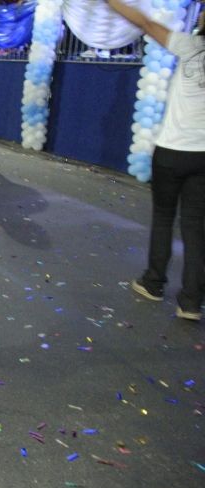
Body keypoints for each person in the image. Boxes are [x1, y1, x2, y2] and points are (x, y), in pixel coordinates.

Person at [107, 0, 205, 321]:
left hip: (172, 150)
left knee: (164, 217)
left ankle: (154, 282)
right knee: (196, 228)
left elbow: (147, 24)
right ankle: (191, 302)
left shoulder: (190, 45)